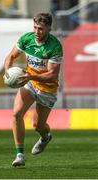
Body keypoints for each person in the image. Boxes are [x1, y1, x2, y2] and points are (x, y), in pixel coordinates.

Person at [4, 13, 63, 167]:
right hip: (29, 83)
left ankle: (45, 137)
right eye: (35, 27)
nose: (37, 31)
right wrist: (7, 72)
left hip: (47, 89)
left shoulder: (55, 46)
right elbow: (10, 57)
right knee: (17, 114)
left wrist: (31, 77)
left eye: (41, 28)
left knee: (38, 126)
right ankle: (20, 155)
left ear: (49, 28)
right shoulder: (26, 39)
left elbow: (52, 75)